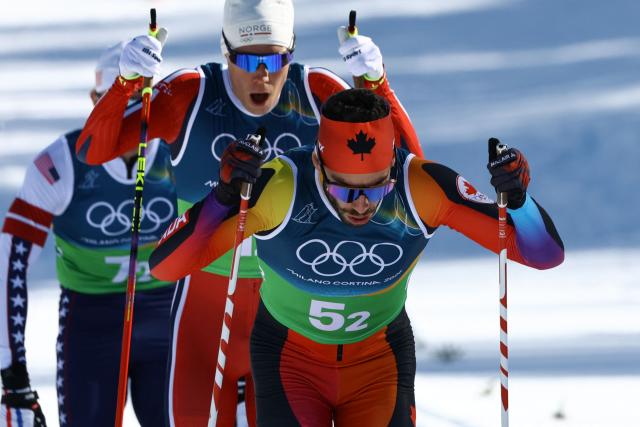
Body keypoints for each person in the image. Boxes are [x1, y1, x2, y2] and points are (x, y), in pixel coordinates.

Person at [76, 1, 423, 425]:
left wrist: (376, 84)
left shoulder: (314, 92)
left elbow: (406, 163)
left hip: (290, 314)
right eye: (247, 58)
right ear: (225, 51)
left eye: (275, 58)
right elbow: (94, 150)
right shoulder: (191, 92)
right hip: (202, 308)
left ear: (291, 51)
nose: (262, 73)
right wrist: (127, 84)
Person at [150, 88, 565, 426]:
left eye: (376, 189)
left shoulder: (421, 185)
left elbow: (542, 254)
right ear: (318, 162)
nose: (362, 205)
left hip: (379, 362)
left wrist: (519, 200)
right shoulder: (281, 186)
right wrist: (223, 199)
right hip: (289, 361)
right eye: (345, 190)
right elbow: (166, 266)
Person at [0, 43, 177, 427]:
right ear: (95, 101)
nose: (128, 116)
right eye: (116, 100)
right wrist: (12, 373)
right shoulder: (61, 164)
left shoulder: (182, 154)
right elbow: (9, 263)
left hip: (171, 319)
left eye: (141, 99)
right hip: (90, 323)